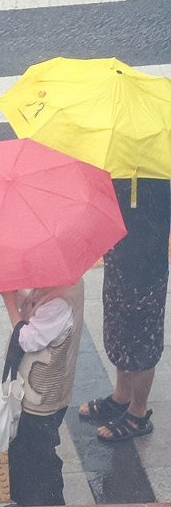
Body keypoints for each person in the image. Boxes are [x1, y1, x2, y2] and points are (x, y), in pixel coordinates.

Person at [80, 178, 170, 442]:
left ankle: (138, 411)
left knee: (142, 338)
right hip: (118, 256)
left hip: (147, 267)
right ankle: (121, 396)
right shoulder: (121, 158)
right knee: (118, 328)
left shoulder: (161, 166)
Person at [1, 280, 85, 506]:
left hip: (43, 396)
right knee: (23, 446)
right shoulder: (58, 283)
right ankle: (26, 502)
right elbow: (33, 302)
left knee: (38, 452)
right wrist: (17, 293)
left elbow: (29, 340)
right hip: (35, 390)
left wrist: (9, 303)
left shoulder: (59, 301)